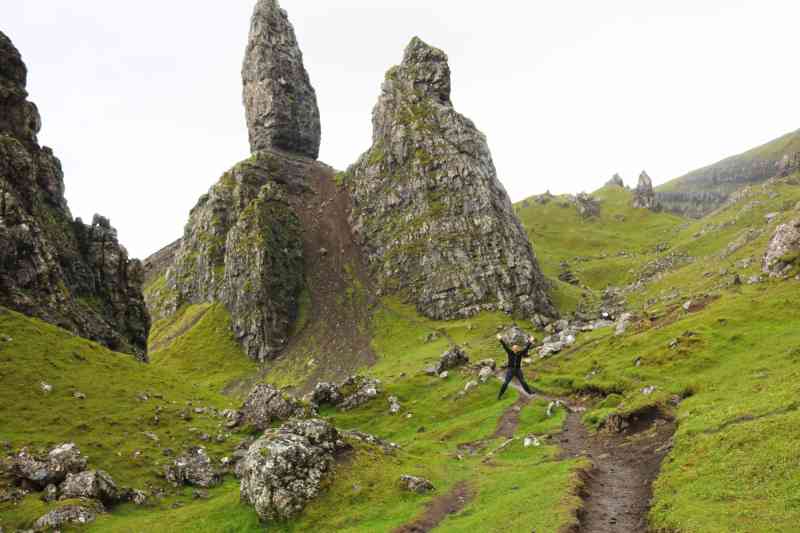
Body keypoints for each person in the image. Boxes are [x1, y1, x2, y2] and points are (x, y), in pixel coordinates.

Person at [496, 333, 535, 399]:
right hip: (510, 370)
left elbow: (526, 348)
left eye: (516, 348)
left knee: (523, 382)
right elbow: (504, 345)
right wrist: (500, 339)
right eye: (514, 348)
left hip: (518, 370)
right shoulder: (509, 352)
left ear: (518, 349)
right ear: (512, 348)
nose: (515, 349)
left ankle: (530, 392)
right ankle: (499, 396)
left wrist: (530, 341)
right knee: (506, 383)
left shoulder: (520, 353)